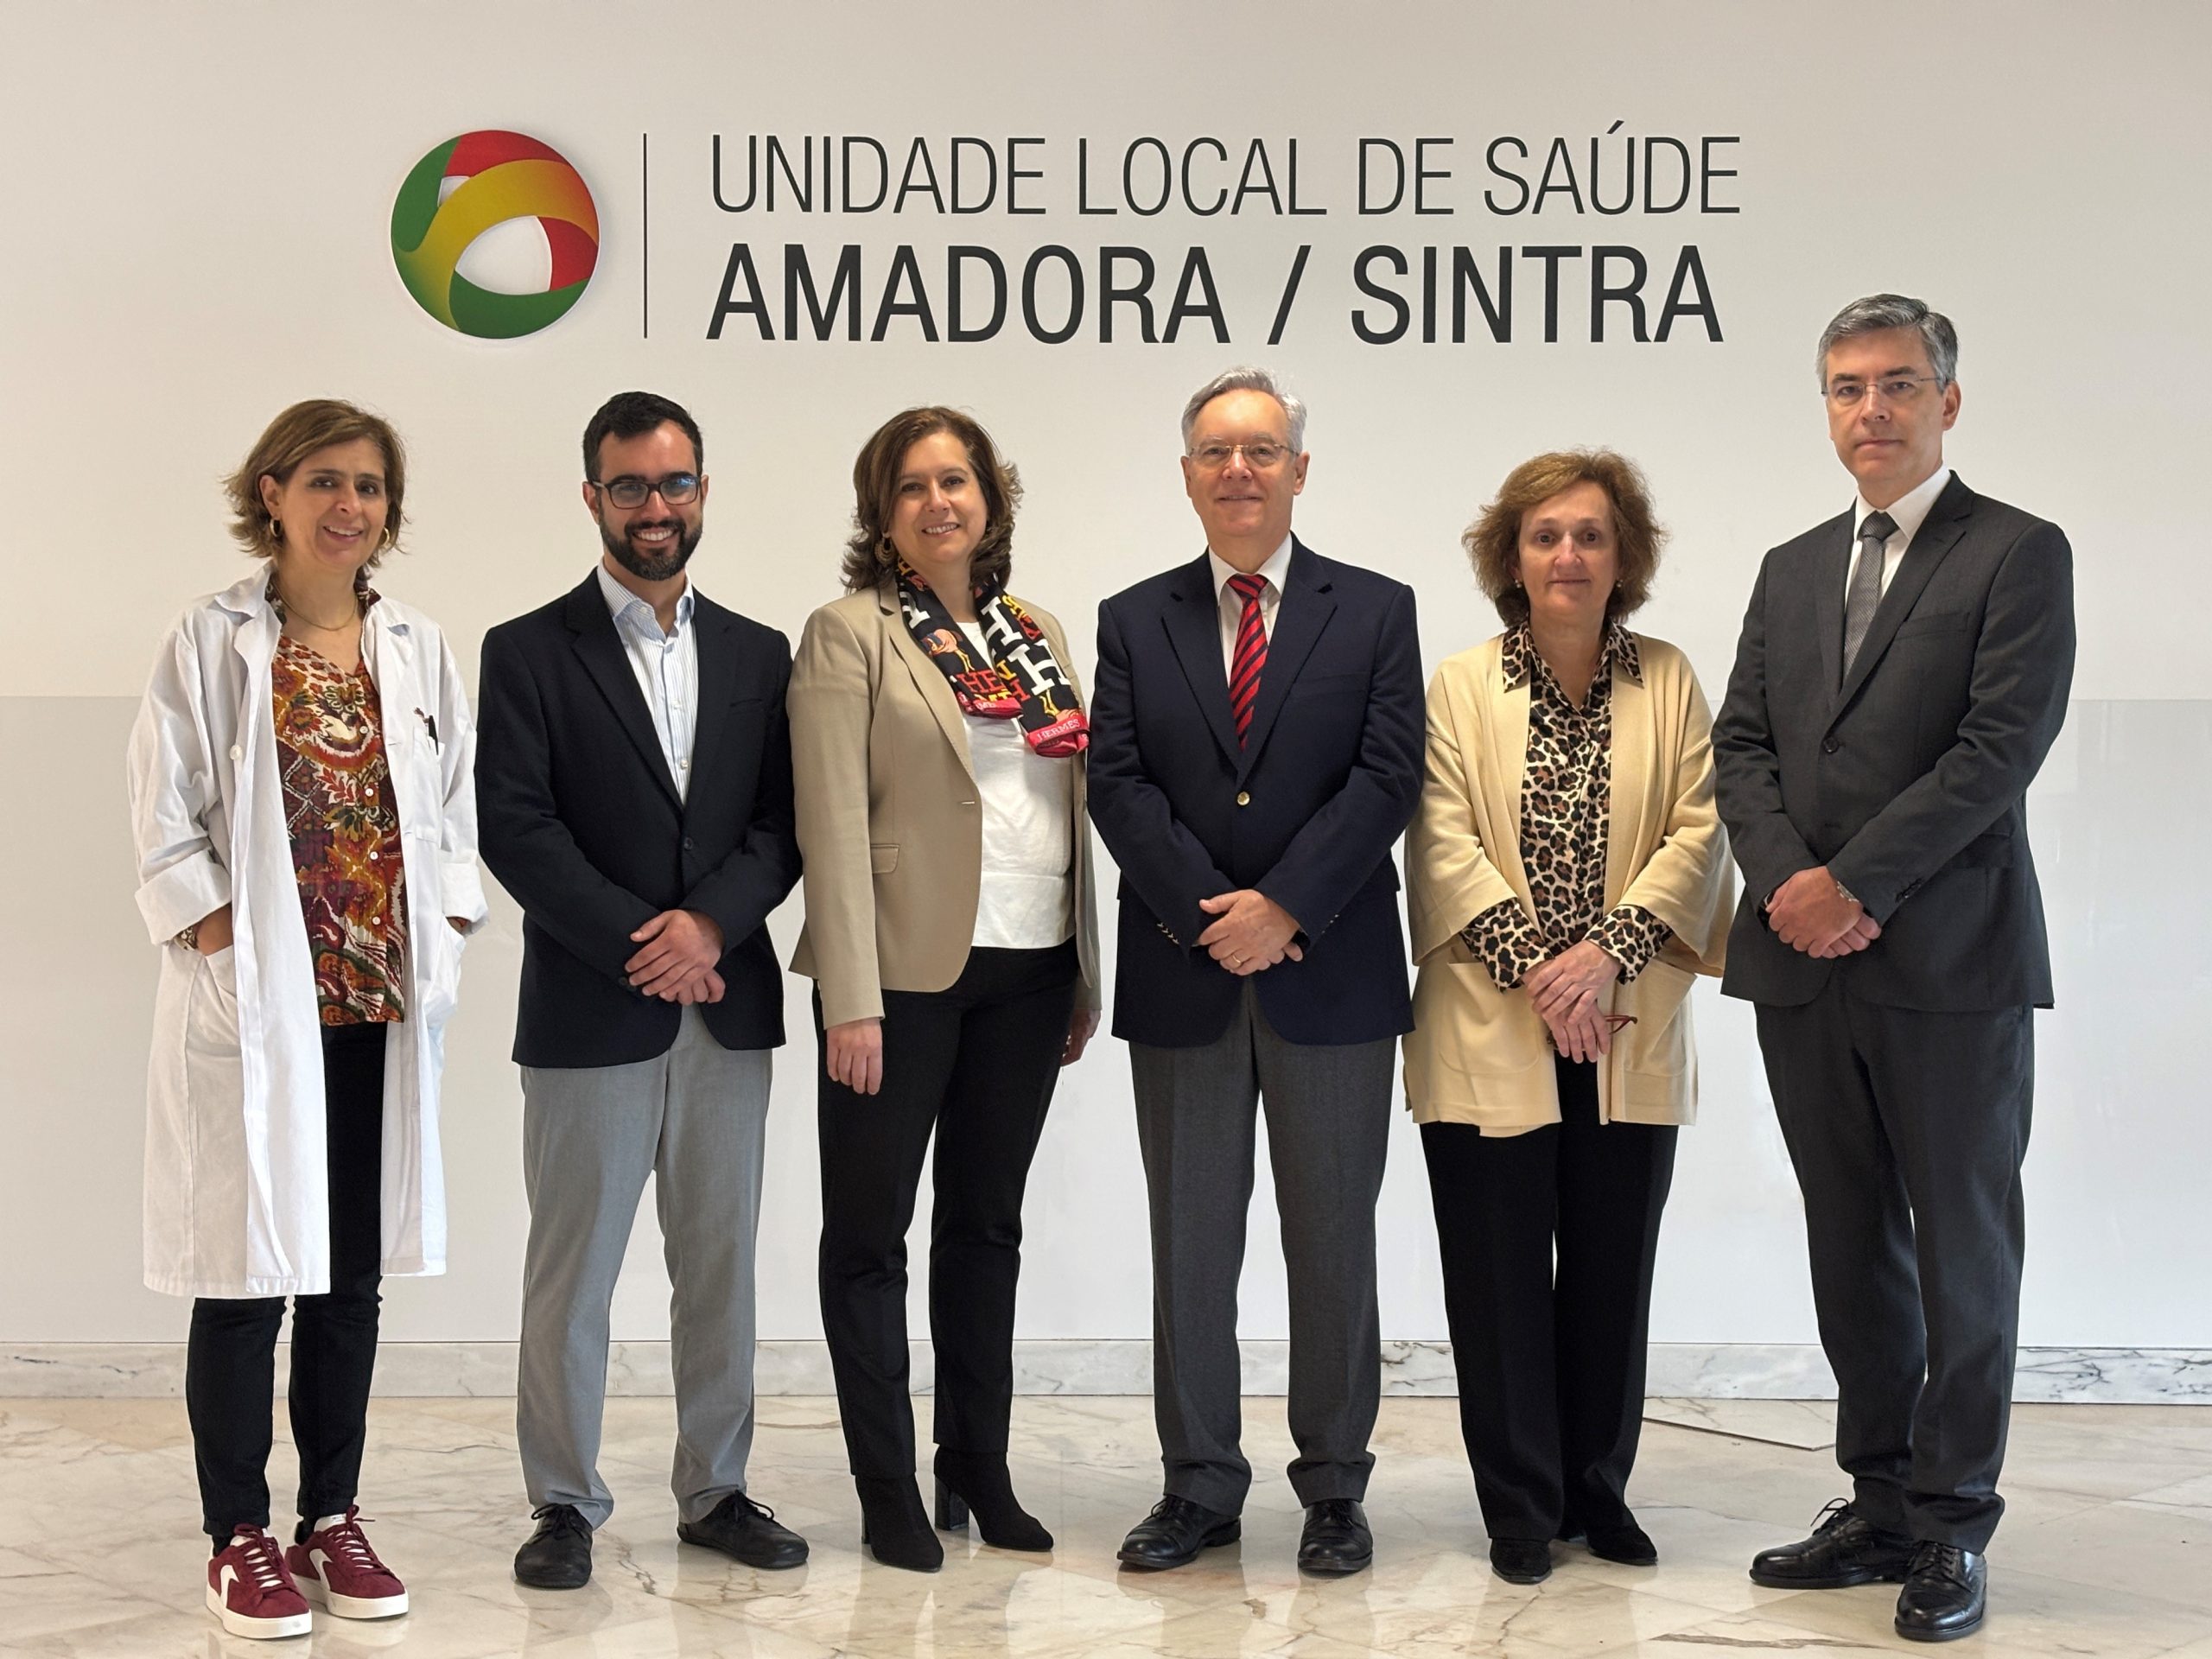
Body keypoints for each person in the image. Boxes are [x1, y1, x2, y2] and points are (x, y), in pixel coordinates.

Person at [1713, 296, 2075, 1643]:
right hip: (1804, 968)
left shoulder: (2018, 553)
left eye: (1898, 384)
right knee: (1851, 1240)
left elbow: (1998, 750)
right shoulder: (1790, 566)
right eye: (1847, 386)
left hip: (1949, 965)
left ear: (1948, 402)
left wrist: (1853, 885)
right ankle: (1878, 1502)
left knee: (1962, 1249)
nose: (1871, 408)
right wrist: (1788, 887)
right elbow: (1740, 745)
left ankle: (1954, 1521)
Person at [127, 399, 486, 1640]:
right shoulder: (212, 638)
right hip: (260, 1009)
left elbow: (452, 811)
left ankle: (331, 1515)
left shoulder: (418, 648)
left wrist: (445, 925)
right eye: (325, 480)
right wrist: (220, 939)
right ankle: (237, 1535)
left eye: (370, 486)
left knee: (349, 1279)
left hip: (378, 1005)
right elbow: (163, 817)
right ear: (270, 494)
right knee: (244, 1278)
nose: (350, 506)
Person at [1088, 367, 1423, 1577]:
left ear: (1299, 470)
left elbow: (1387, 776)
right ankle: (1198, 1485)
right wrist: (1210, 917)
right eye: (1217, 452)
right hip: (1184, 975)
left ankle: (1335, 1486)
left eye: (1262, 450)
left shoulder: (1374, 610)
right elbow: (1117, 782)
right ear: (1188, 474)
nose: (1240, 470)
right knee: (1190, 1242)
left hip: (1330, 974)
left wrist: (1283, 908)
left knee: (1333, 1238)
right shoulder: (1134, 619)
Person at [475, 391, 806, 1590]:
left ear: (702, 492)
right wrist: (645, 940)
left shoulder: (762, 654)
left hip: (726, 1002)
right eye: (630, 487)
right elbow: (517, 827)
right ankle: (564, 1503)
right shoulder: (526, 649)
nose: (654, 507)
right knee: (574, 1273)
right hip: (591, 1007)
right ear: (593, 498)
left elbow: (784, 823)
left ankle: (715, 1490)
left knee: (719, 1265)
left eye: (674, 483)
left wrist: (710, 925)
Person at [1403, 450, 1732, 1585]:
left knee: (1610, 1274)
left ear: (1623, 555)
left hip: (1626, 1022)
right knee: (1495, 1280)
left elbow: (1700, 831)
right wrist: (1546, 973)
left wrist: (1603, 963)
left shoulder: (1670, 680)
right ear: (1511, 557)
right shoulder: (1459, 685)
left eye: (1591, 535)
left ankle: (1598, 1493)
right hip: (1488, 1022)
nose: (1568, 555)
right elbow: (1440, 839)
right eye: (1545, 536)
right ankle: (1518, 1507)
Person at [788, 405, 1101, 1573]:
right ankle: (887, 1491)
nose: (938, 502)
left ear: (990, 497)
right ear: (883, 514)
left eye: (957, 480)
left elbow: (1063, 805)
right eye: (912, 485)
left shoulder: (1039, 632)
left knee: (985, 1230)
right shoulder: (848, 634)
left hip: (1030, 970)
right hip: (899, 978)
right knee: (870, 1238)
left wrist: (1081, 966)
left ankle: (976, 1465)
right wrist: (849, 996)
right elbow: (829, 821)